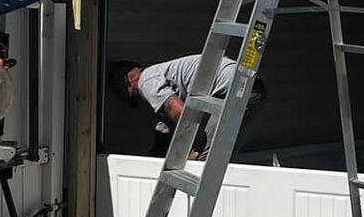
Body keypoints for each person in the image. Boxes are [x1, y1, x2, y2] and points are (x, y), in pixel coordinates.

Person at [109, 54, 266, 159]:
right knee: (223, 155)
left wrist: (196, 146)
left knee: (204, 157)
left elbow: (178, 111)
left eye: (116, 89)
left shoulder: (147, 81)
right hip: (249, 86)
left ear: (126, 80)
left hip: (234, 90)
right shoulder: (158, 75)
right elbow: (165, 128)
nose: (118, 95)